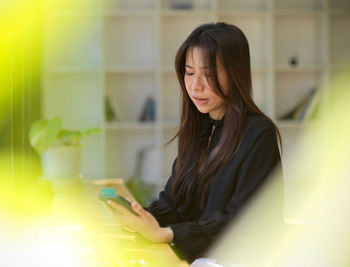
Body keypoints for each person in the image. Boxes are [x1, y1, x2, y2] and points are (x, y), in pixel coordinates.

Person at [103, 22, 283, 262]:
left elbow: (244, 219)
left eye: (208, 74)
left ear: (235, 73)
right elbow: (175, 203)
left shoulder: (259, 133)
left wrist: (166, 234)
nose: (196, 85)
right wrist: (139, 218)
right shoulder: (201, 128)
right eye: (189, 72)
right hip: (200, 257)